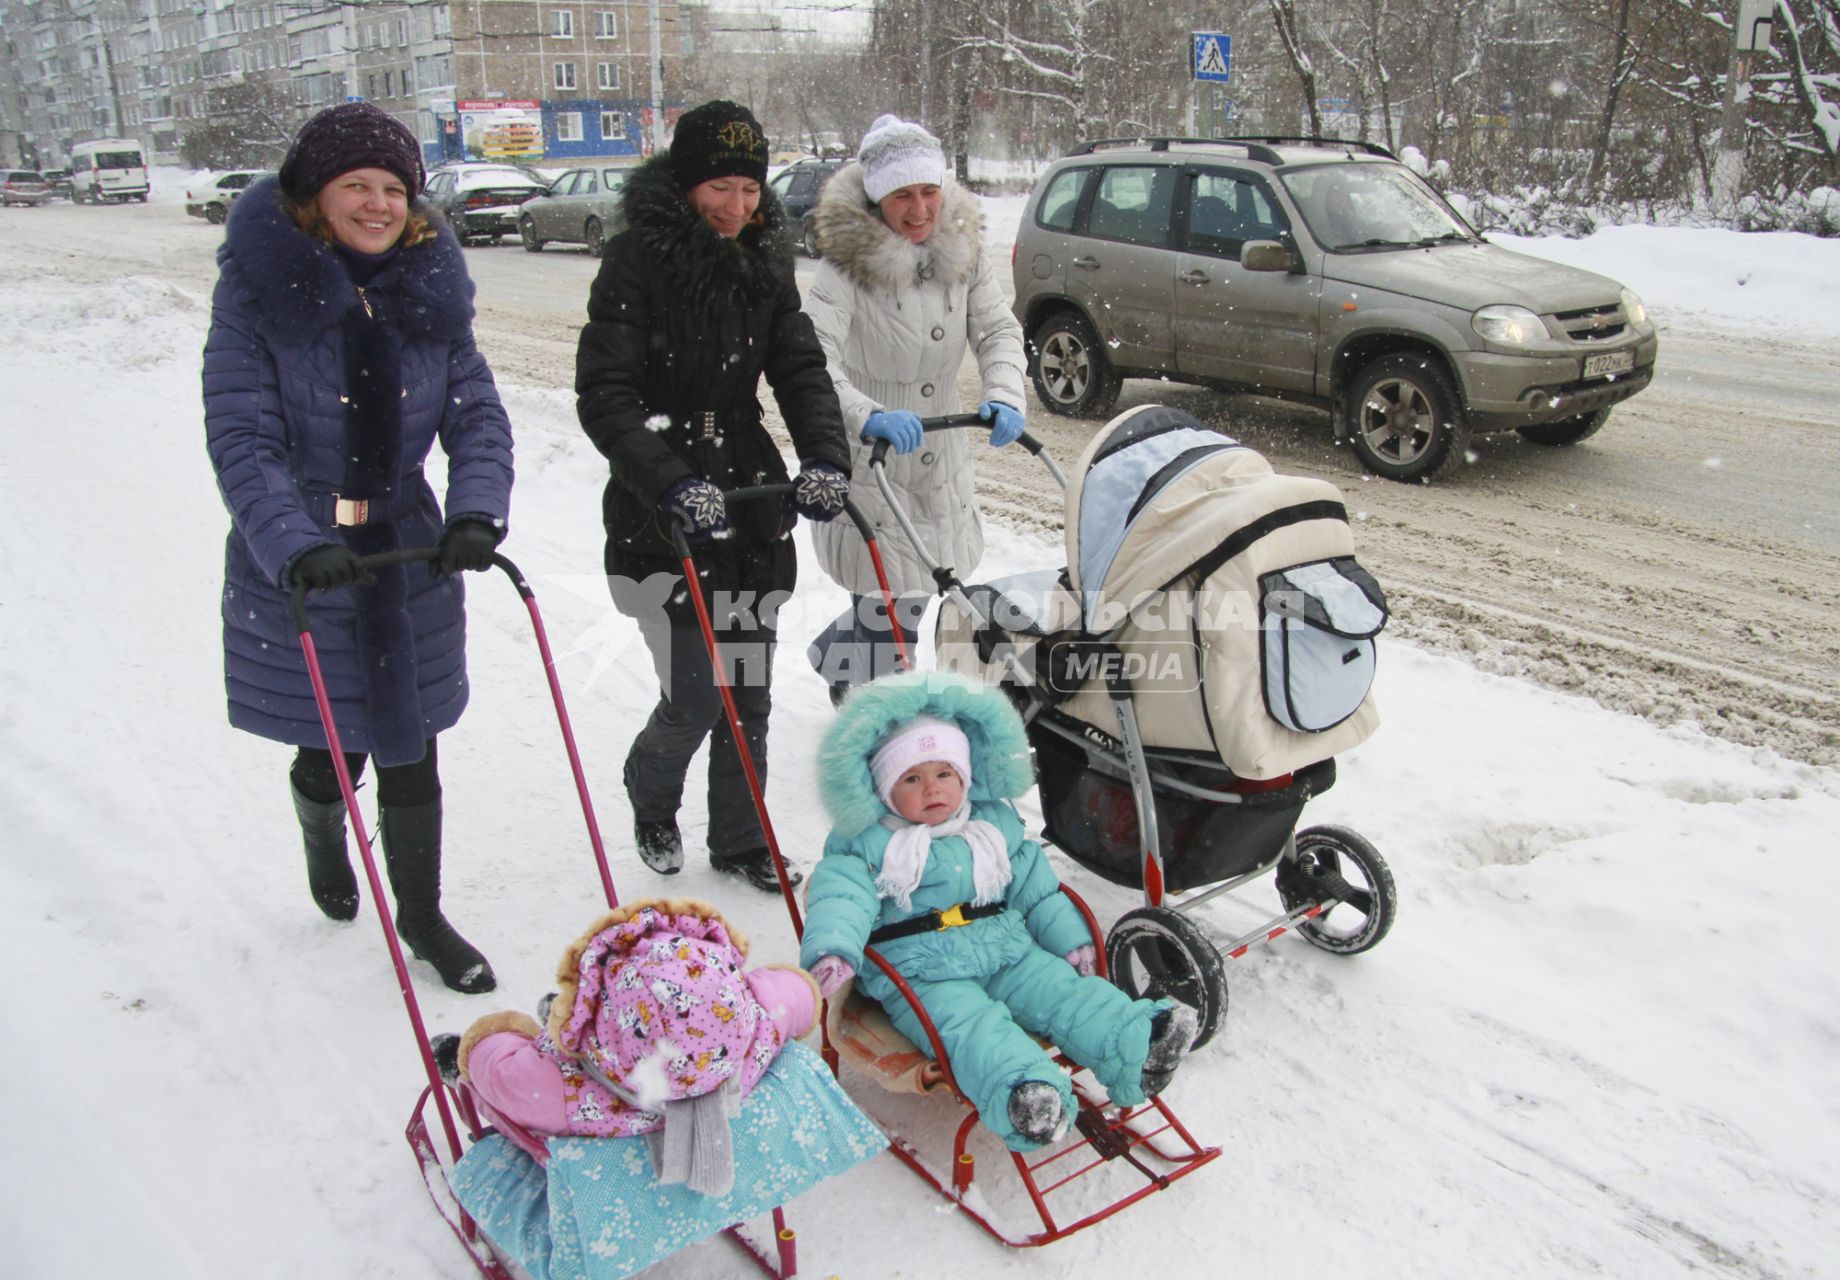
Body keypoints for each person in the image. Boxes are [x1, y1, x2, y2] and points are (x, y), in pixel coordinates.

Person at [202, 102, 514, 994]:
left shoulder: (429, 290)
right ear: (314, 198)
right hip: (304, 555)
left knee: (410, 737)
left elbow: (478, 415)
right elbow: (243, 438)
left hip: (408, 548)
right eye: (355, 186)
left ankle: (421, 916)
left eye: (392, 188)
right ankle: (321, 830)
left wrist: (476, 512)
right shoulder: (260, 297)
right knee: (331, 738)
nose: (377, 204)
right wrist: (295, 546)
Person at [576, 100, 851, 892]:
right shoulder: (636, 260)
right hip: (660, 510)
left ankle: (739, 839)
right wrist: (671, 480)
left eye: (748, 188)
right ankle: (649, 790)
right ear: (685, 184)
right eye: (719, 188)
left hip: (749, 497)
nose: (737, 207)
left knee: (750, 690)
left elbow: (799, 369)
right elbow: (605, 395)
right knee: (699, 693)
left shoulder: (766, 259)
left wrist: (824, 458)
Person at [799, 671, 1198, 1150]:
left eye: (945, 774)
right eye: (912, 778)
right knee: (971, 1029)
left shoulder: (991, 825)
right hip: (921, 969)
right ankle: (1027, 1097)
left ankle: (1137, 1043)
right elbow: (840, 896)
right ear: (884, 789)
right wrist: (835, 951)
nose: (933, 789)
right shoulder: (868, 842)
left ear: (965, 776)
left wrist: (1069, 942)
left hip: (1004, 944)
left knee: (1062, 991)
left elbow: (1038, 891)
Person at [802, 116, 1027, 701]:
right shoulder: (843, 270)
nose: (920, 207)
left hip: (939, 453)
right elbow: (810, 359)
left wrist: (1004, 390)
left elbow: (999, 329)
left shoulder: (966, 254)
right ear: (877, 199)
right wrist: (865, 412)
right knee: (887, 609)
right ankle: (870, 714)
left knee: (924, 588)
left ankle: (838, 657)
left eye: (929, 190)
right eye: (903, 194)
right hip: (872, 454)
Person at [431, 898, 820, 1193]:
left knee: (502, 1086)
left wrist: (486, 1041)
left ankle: (553, 1025)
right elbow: (793, 994)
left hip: (607, 1116)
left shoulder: (566, 1094)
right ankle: (574, 1015)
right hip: (715, 1078)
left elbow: (504, 1077)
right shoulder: (756, 1029)